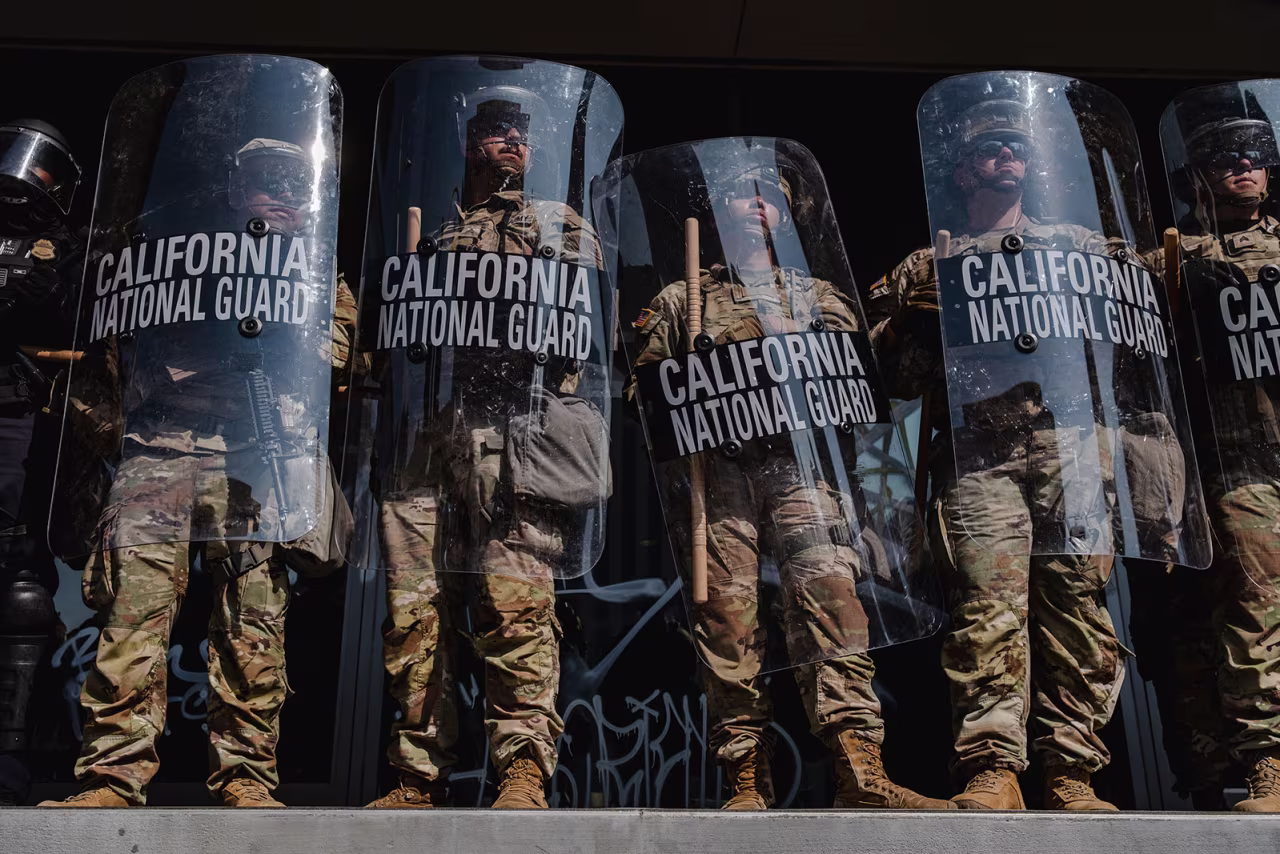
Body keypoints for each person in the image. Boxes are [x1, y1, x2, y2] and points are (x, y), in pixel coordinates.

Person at [626, 147, 952, 811]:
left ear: (785, 212)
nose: (754, 206)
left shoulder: (822, 299)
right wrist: (680, 373)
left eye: (766, 196)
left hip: (804, 472)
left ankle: (859, 770)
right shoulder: (681, 298)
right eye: (740, 197)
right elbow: (644, 404)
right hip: (718, 479)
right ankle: (747, 775)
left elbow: (861, 394)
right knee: (726, 620)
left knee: (833, 605)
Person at [41, 133, 354, 809]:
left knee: (253, 625)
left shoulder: (316, 271)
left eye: (294, 186)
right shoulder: (182, 257)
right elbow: (120, 332)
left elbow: (338, 353)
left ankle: (246, 777)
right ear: (239, 190)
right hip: (162, 447)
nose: (282, 196)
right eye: (267, 181)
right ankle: (110, 778)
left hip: (255, 457)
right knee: (133, 618)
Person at [868, 95, 1139, 811]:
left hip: (1068, 448)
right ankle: (994, 768)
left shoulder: (1077, 250)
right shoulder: (926, 264)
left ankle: (1071, 772)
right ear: (963, 172)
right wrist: (904, 330)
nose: (1007, 158)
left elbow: (1133, 347)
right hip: (975, 456)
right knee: (986, 611)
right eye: (991, 149)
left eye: (1017, 148)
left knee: (1078, 607)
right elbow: (876, 388)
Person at [367, 88, 608, 811]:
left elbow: (583, 328)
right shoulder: (432, 235)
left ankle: (524, 772)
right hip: (430, 437)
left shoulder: (556, 225)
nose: (513, 142)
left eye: (522, 133)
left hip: (516, 436)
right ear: (471, 143)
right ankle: (416, 775)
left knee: (517, 604)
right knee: (415, 611)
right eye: (497, 130)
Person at [1139, 82, 1280, 813]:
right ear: (1195, 173)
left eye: (1254, 154)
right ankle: (1268, 765)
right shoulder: (1168, 257)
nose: (1243, 166)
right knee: (1254, 609)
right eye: (1224, 157)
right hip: (1228, 464)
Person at [0, 118, 82, 805]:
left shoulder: (65, 252)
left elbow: (84, 328)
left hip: (14, 415)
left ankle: (10, 764)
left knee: (22, 591)